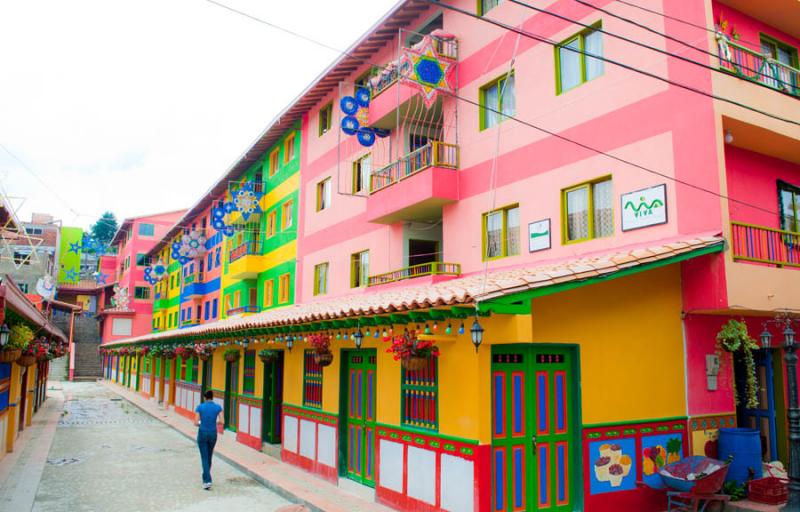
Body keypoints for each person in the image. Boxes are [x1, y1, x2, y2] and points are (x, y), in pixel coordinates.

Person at [194, 390, 223, 490]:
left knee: (204, 457)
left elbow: (195, 422)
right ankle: (205, 478)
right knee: (209, 456)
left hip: (202, 433)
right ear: (212, 397)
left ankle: (207, 481)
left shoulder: (200, 407)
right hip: (213, 433)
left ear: (205, 397)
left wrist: (202, 423)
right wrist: (214, 422)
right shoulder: (217, 407)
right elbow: (222, 421)